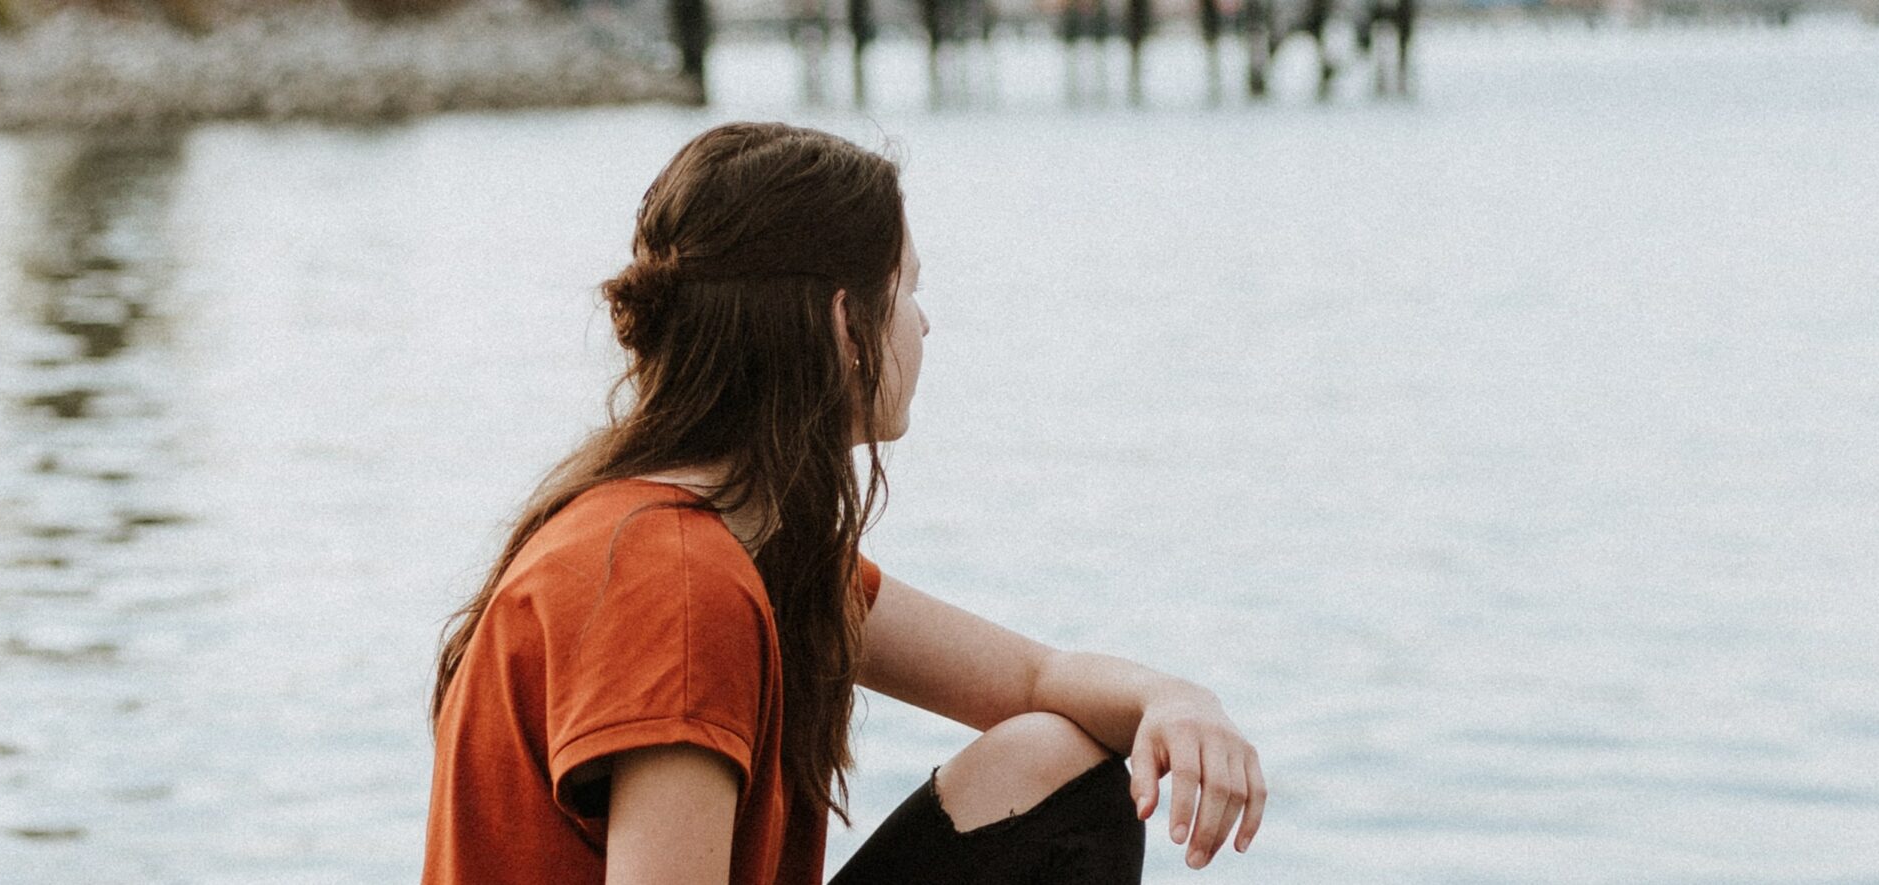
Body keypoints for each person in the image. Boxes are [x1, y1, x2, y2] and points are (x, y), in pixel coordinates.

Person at [422, 122, 1264, 884]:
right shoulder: (677, 584)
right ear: (843, 325)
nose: (924, 325)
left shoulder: (739, 544)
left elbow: (1036, 679)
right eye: (906, 289)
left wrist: (1178, 701)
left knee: (1056, 762)